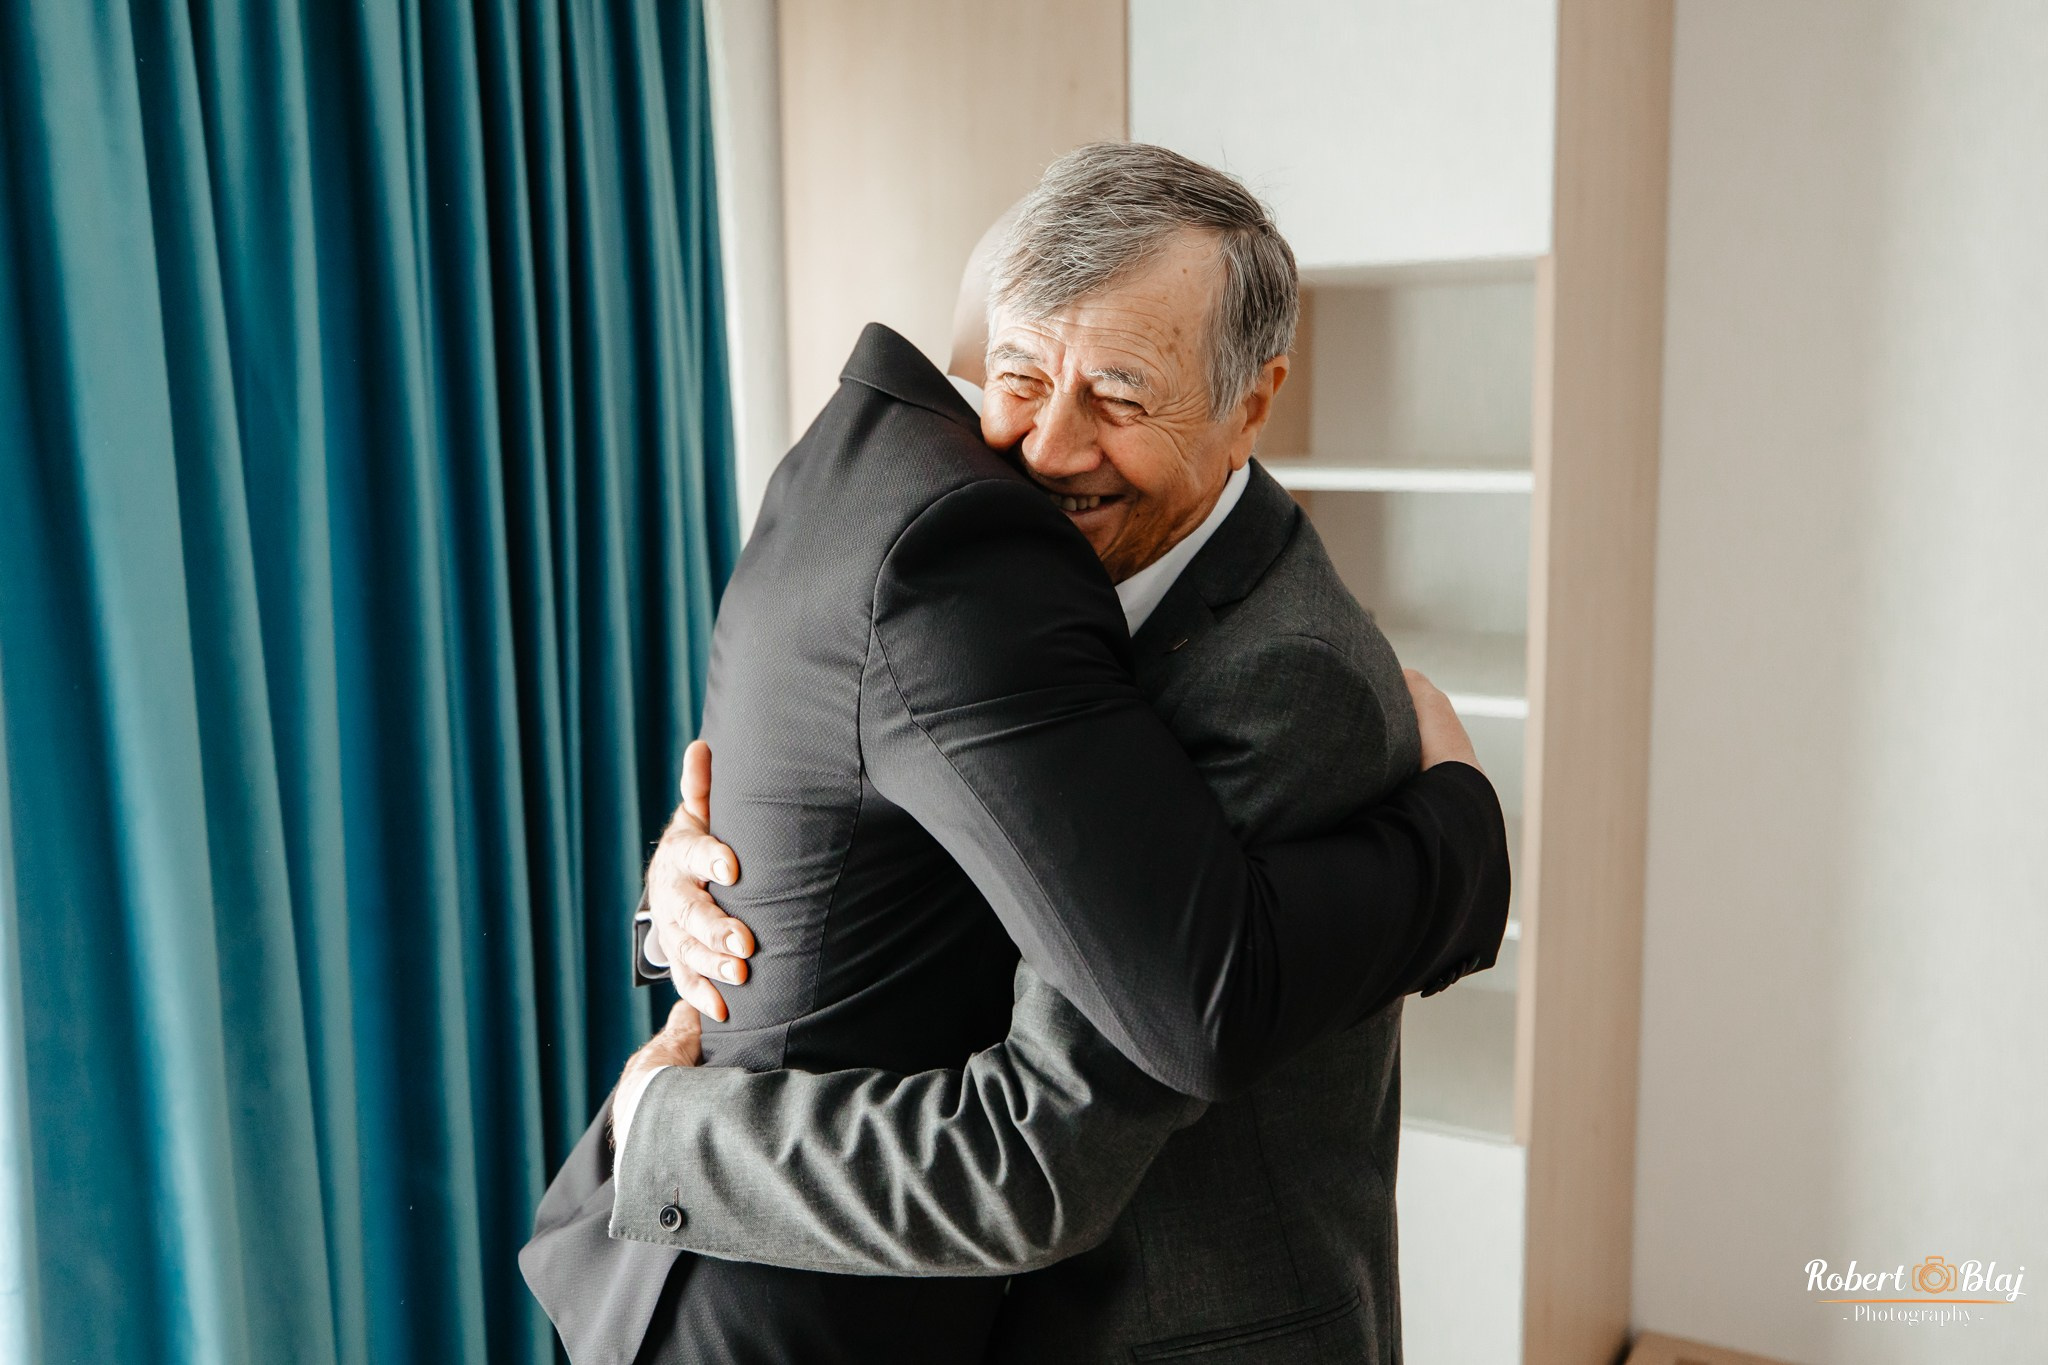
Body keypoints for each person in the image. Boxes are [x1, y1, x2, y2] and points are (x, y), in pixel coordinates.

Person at [521, 143, 1510, 1365]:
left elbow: (1039, 1152)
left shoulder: (1277, 681)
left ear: (1255, 398)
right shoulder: (1023, 598)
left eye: (1119, 393)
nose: (1046, 446)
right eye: (1020, 374)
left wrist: (666, 1127)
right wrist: (695, 900)